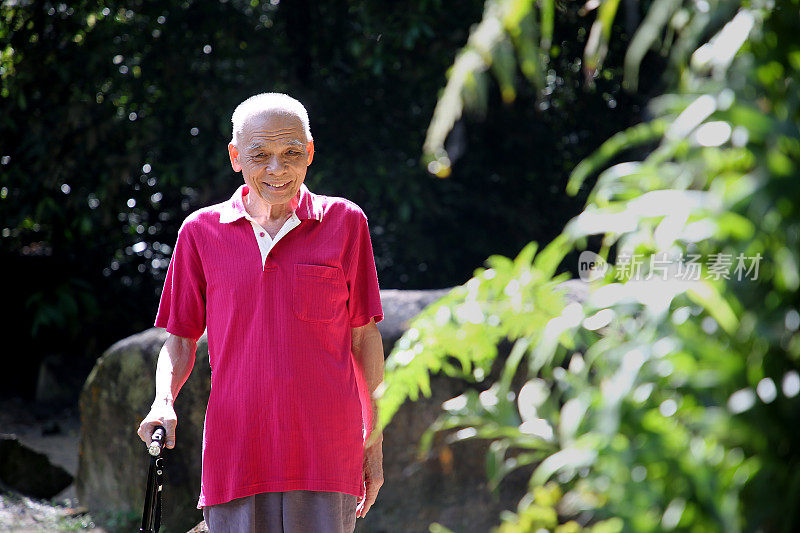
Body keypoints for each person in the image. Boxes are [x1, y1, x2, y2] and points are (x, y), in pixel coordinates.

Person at [137, 93, 385, 533]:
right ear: (236, 157)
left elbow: (364, 338)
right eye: (261, 155)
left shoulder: (346, 223)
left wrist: (375, 439)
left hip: (327, 452)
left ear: (309, 153)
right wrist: (162, 401)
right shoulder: (200, 233)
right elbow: (180, 339)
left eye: (291, 153)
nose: (277, 169)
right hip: (237, 454)